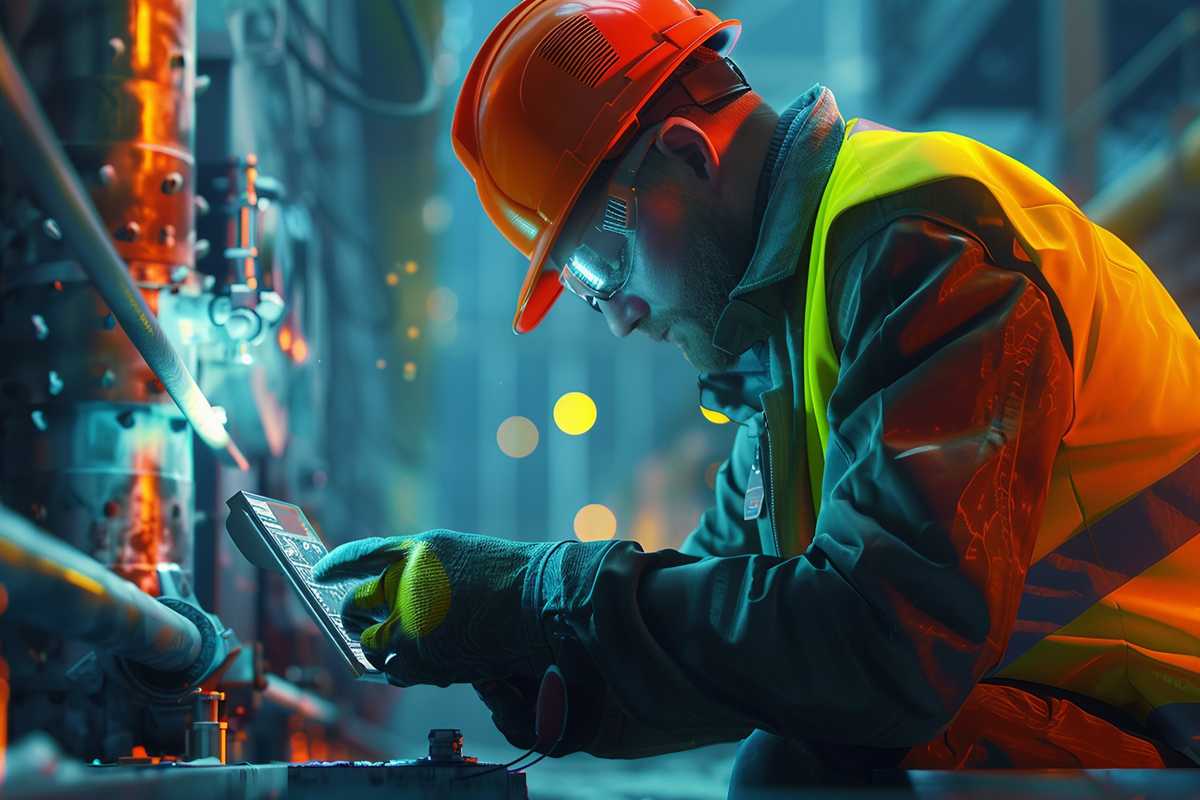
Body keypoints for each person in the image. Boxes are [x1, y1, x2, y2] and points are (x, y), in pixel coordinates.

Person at [314, 0, 1200, 792]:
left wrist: (539, 593)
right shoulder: (794, 325)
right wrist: (516, 648)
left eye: (599, 263)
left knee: (809, 768)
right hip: (1094, 717)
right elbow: (744, 643)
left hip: (1168, 727)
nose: (618, 316)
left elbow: (884, 650)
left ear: (685, 154)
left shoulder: (924, 242)